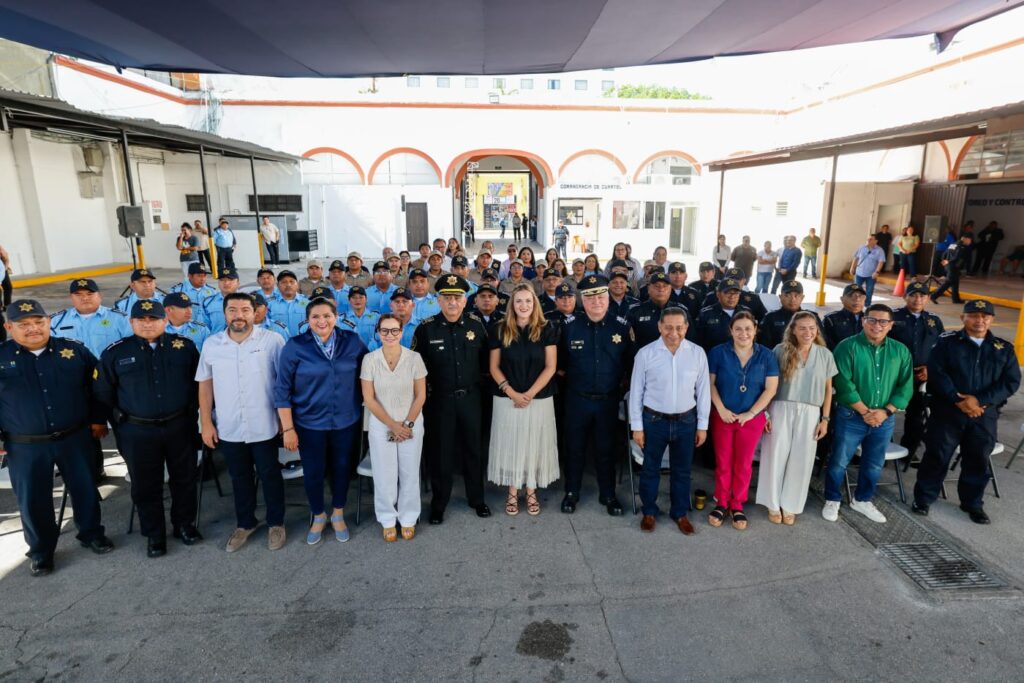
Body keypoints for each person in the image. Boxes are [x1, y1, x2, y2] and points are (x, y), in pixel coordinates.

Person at [0, 299, 114, 576]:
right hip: (24, 445)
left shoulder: (73, 351)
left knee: (85, 489)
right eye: (24, 324)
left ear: (49, 322)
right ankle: (41, 551)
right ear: (9, 327)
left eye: (39, 322)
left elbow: (99, 386)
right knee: (33, 499)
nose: (33, 328)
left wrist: (99, 418)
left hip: (74, 437)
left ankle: (91, 533)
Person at [95, 300, 201, 558]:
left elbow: (199, 384)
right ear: (131, 322)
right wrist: (119, 425)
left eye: (153, 318)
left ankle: (184, 525)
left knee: (184, 479)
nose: (147, 324)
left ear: (164, 320)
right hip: (137, 431)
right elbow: (103, 393)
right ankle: (154, 535)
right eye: (140, 319)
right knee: (145, 485)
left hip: (179, 426)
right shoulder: (115, 353)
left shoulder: (184, 348)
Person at [911, 300, 1021, 524]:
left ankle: (972, 504)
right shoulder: (947, 342)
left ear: (991, 320)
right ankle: (923, 498)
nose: (979, 320)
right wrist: (957, 400)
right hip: (948, 412)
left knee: (978, 459)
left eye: (985, 316)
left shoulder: (1003, 348)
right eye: (973, 315)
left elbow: (1010, 382)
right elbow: (937, 373)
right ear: (963, 318)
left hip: (983, 415)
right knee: (937, 456)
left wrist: (979, 401)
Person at [196, 292, 287, 552]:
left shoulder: (272, 340)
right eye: (233, 310)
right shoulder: (212, 344)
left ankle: (276, 523)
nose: (239, 315)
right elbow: (205, 385)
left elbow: (284, 383)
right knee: (239, 477)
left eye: (245, 310)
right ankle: (245, 523)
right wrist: (206, 423)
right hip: (229, 426)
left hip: (265, 424)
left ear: (255, 313)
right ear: (224, 313)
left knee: (270, 475)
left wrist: (285, 421)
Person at [276, 297, 366, 545]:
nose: (322, 321)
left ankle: (338, 513)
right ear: (307, 320)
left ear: (336, 317)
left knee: (342, 469)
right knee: (313, 472)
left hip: (345, 421)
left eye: (327, 315)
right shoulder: (295, 346)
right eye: (315, 316)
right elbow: (281, 390)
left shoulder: (352, 341)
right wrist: (288, 428)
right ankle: (318, 514)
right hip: (309, 423)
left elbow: (368, 372)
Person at [823, 304, 913, 524]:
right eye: (872, 320)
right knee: (839, 461)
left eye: (883, 321)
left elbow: (905, 386)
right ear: (863, 321)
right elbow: (843, 383)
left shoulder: (900, 351)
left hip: (884, 419)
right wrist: (865, 412)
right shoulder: (847, 347)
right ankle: (832, 498)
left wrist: (885, 411)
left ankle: (862, 499)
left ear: (890, 325)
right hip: (851, 416)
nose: (877, 325)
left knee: (874, 463)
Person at [413, 275, 491, 524]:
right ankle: (439, 504)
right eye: (447, 298)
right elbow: (417, 368)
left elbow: (486, 364)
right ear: (438, 300)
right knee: (441, 453)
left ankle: (477, 499)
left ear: (465, 300)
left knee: (474, 450)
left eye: (457, 297)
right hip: (440, 401)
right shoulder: (426, 329)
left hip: (471, 399)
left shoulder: (476, 326)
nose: (452, 302)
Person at [629, 306, 709, 534]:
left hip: (686, 421)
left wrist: (702, 426)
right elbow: (636, 392)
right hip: (654, 421)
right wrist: (637, 427)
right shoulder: (645, 354)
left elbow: (703, 392)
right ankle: (649, 511)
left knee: (682, 471)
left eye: (679, 328)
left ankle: (680, 513)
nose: (674, 333)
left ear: (686, 327)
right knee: (650, 469)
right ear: (659, 327)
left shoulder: (697, 353)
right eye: (668, 327)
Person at [559, 275, 633, 516]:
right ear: (583, 300)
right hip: (577, 399)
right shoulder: (569, 327)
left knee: (606, 449)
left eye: (601, 296)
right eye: (590, 298)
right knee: (574, 448)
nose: (596, 302)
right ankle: (572, 492)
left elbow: (629, 364)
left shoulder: (621, 327)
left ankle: (608, 494)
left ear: (608, 298)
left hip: (608, 400)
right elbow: (560, 364)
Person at [756, 312, 835, 524]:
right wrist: (765, 413)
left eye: (812, 328)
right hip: (780, 407)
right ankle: (772, 503)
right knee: (775, 456)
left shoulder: (825, 354)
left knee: (802, 459)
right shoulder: (780, 350)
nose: (807, 332)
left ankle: (790, 505)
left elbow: (828, 390)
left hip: (811, 411)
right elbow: (769, 385)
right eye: (802, 328)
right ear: (793, 330)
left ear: (817, 330)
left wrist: (825, 419)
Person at [487, 285, 560, 516]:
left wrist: (529, 394)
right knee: (511, 443)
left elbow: (551, 367)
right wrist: (512, 393)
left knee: (534, 444)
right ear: (512, 304)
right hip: (507, 398)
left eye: (528, 301)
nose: (524, 305)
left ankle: (531, 490)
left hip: (539, 398)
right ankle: (512, 490)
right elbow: (494, 367)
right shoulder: (499, 329)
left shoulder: (547, 328)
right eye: (519, 301)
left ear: (534, 303)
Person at [706, 312, 778, 530]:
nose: (743, 333)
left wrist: (752, 413)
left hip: (751, 419)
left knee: (744, 463)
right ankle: (722, 502)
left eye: (748, 328)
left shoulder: (767, 355)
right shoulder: (718, 352)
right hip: (723, 416)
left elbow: (771, 389)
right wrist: (721, 409)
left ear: (755, 330)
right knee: (723, 461)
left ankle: (737, 504)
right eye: (738, 328)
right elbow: (709, 384)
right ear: (731, 330)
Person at [359, 314, 428, 541]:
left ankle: (408, 517)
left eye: (394, 330)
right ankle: (387, 518)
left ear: (402, 331)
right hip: (382, 425)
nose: (390, 335)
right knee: (384, 474)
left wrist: (406, 425)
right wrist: (392, 425)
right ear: (378, 332)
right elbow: (369, 399)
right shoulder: (370, 360)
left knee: (409, 472)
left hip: (411, 424)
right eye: (385, 330)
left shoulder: (414, 358)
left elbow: (420, 395)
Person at [889, 282, 944, 462]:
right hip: (894, 375)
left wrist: (930, 368)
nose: (918, 299)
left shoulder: (934, 320)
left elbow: (941, 349)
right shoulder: (892, 317)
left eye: (922, 295)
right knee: (885, 411)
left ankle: (909, 452)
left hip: (921, 376)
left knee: (916, 416)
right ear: (905, 297)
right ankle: (880, 449)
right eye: (913, 295)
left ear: (928, 298)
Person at [50, 278, 132, 358]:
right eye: (78, 295)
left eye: (90, 294)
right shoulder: (55, 321)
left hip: (108, 366)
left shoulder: (120, 318)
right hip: (73, 366)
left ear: (99, 296)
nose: (85, 298)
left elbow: (132, 346)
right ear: (71, 298)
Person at [757, 280, 821, 349]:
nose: (792, 299)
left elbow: (821, 342)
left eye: (796, 296)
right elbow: (764, 346)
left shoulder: (812, 318)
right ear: (780, 297)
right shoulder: (770, 318)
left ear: (802, 298)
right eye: (787, 295)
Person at [697, 278, 751, 352]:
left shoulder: (747, 312)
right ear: (718, 294)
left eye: (735, 293)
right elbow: (698, 341)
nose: (732, 297)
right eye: (727, 293)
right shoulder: (706, 314)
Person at [930, 233, 972, 305]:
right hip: (953, 266)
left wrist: (944, 260)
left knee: (955, 282)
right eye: (970, 240)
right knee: (948, 282)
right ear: (966, 239)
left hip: (948, 265)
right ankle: (933, 296)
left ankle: (956, 299)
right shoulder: (961, 246)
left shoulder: (953, 244)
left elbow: (945, 253)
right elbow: (957, 256)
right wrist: (949, 261)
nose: (970, 242)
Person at [822, 283, 866, 350]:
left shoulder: (871, 320)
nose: (857, 299)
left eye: (861, 296)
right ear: (842, 299)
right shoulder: (831, 320)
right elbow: (825, 345)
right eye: (851, 295)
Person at [268, 270, 310, 336]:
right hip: (279, 341)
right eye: (284, 282)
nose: (288, 285)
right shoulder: (270, 304)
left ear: (297, 285)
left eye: (291, 281)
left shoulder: (306, 302)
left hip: (302, 341)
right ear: (278, 285)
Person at [201, 267, 242, 333]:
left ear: (238, 283)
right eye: (222, 280)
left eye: (230, 279)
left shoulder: (247, 302)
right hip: (216, 338)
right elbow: (204, 327)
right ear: (218, 283)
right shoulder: (208, 302)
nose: (226, 283)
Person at [850, 235, 886, 305]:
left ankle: (867, 305)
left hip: (871, 275)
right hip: (859, 273)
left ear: (876, 241)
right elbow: (856, 258)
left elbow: (881, 262)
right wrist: (852, 267)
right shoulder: (861, 247)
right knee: (856, 289)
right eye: (868, 239)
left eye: (871, 239)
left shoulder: (880, 250)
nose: (868, 240)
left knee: (869, 290)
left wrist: (877, 272)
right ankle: (856, 303)